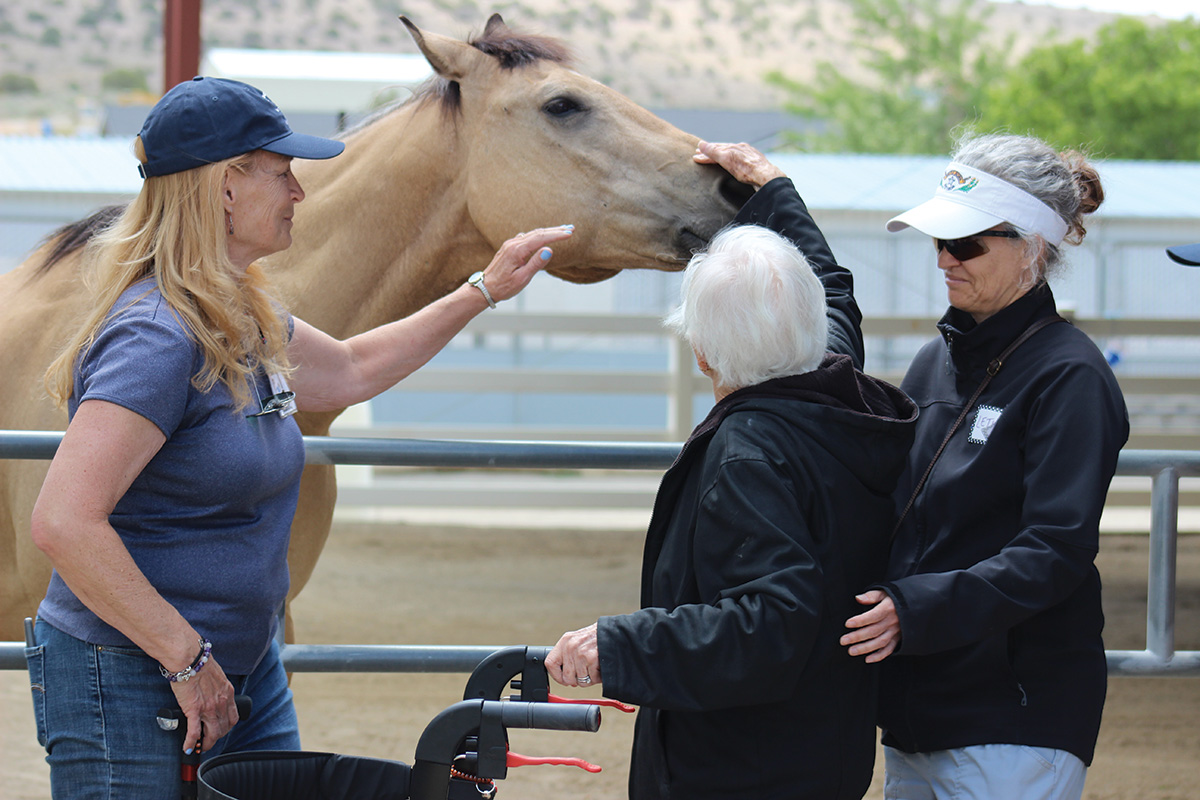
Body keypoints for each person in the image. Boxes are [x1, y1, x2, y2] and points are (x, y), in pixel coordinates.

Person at [24, 76, 572, 798]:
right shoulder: (157, 337)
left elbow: (351, 368)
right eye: (282, 173)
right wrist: (187, 662)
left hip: (240, 668)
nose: (297, 192)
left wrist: (484, 289)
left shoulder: (240, 313)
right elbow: (64, 520)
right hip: (133, 677)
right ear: (225, 187)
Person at [546, 142, 918, 800]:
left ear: (705, 353)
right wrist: (776, 194)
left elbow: (770, 620)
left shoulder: (750, 453)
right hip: (822, 750)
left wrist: (622, 646)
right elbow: (833, 294)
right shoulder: (835, 394)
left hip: (741, 770)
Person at [841, 132, 1129, 800]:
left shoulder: (1070, 375)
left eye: (965, 243)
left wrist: (913, 609)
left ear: (1031, 246)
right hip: (916, 713)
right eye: (937, 241)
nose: (944, 259)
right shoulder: (934, 360)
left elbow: (1055, 551)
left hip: (1014, 719)